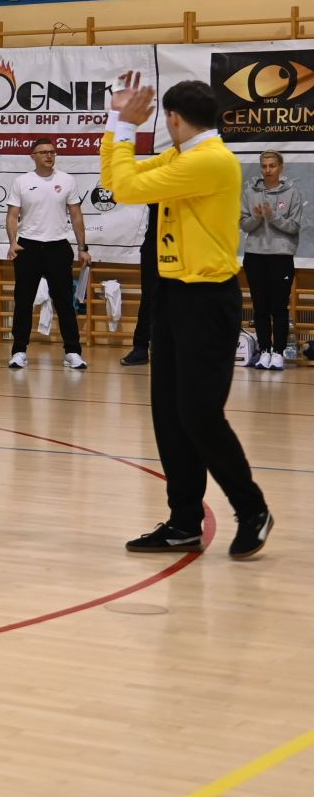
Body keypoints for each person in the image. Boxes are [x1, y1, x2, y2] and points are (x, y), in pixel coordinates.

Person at [103, 72, 272, 560]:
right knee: (169, 415)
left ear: (173, 118)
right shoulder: (182, 156)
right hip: (173, 296)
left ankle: (252, 509)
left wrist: (125, 127)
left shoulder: (209, 160)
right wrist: (116, 121)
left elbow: (127, 189)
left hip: (207, 300)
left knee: (199, 414)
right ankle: (183, 522)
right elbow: (115, 180)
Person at [5, 137, 89, 370]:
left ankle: (72, 352)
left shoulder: (67, 180)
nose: (49, 156)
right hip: (28, 247)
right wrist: (12, 242)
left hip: (58, 247)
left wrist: (83, 248)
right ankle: (19, 351)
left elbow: (76, 215)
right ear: (33, 156)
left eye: (52, 152)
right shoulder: (21, 182)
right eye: (43, 152)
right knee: (23, 301)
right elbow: (12, 215)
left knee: (65, 302)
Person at [239, 150, 302, 371]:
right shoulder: (250, 192)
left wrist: (272, 216)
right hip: (255, 256)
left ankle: (278, 352)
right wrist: (257, 217)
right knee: (260, 307)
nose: (268, 170)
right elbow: (244, 224)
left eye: (272, 166)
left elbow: (294, 226)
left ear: (280, 167)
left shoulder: (292, 193)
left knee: (279, 307)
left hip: (281, 257)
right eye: (264, 166)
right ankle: (264, 350)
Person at [121, 202, 157, 367]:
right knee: (148, 299)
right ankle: (140, 348)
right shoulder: (157, 190)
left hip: (182, 248)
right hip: (154, 247)